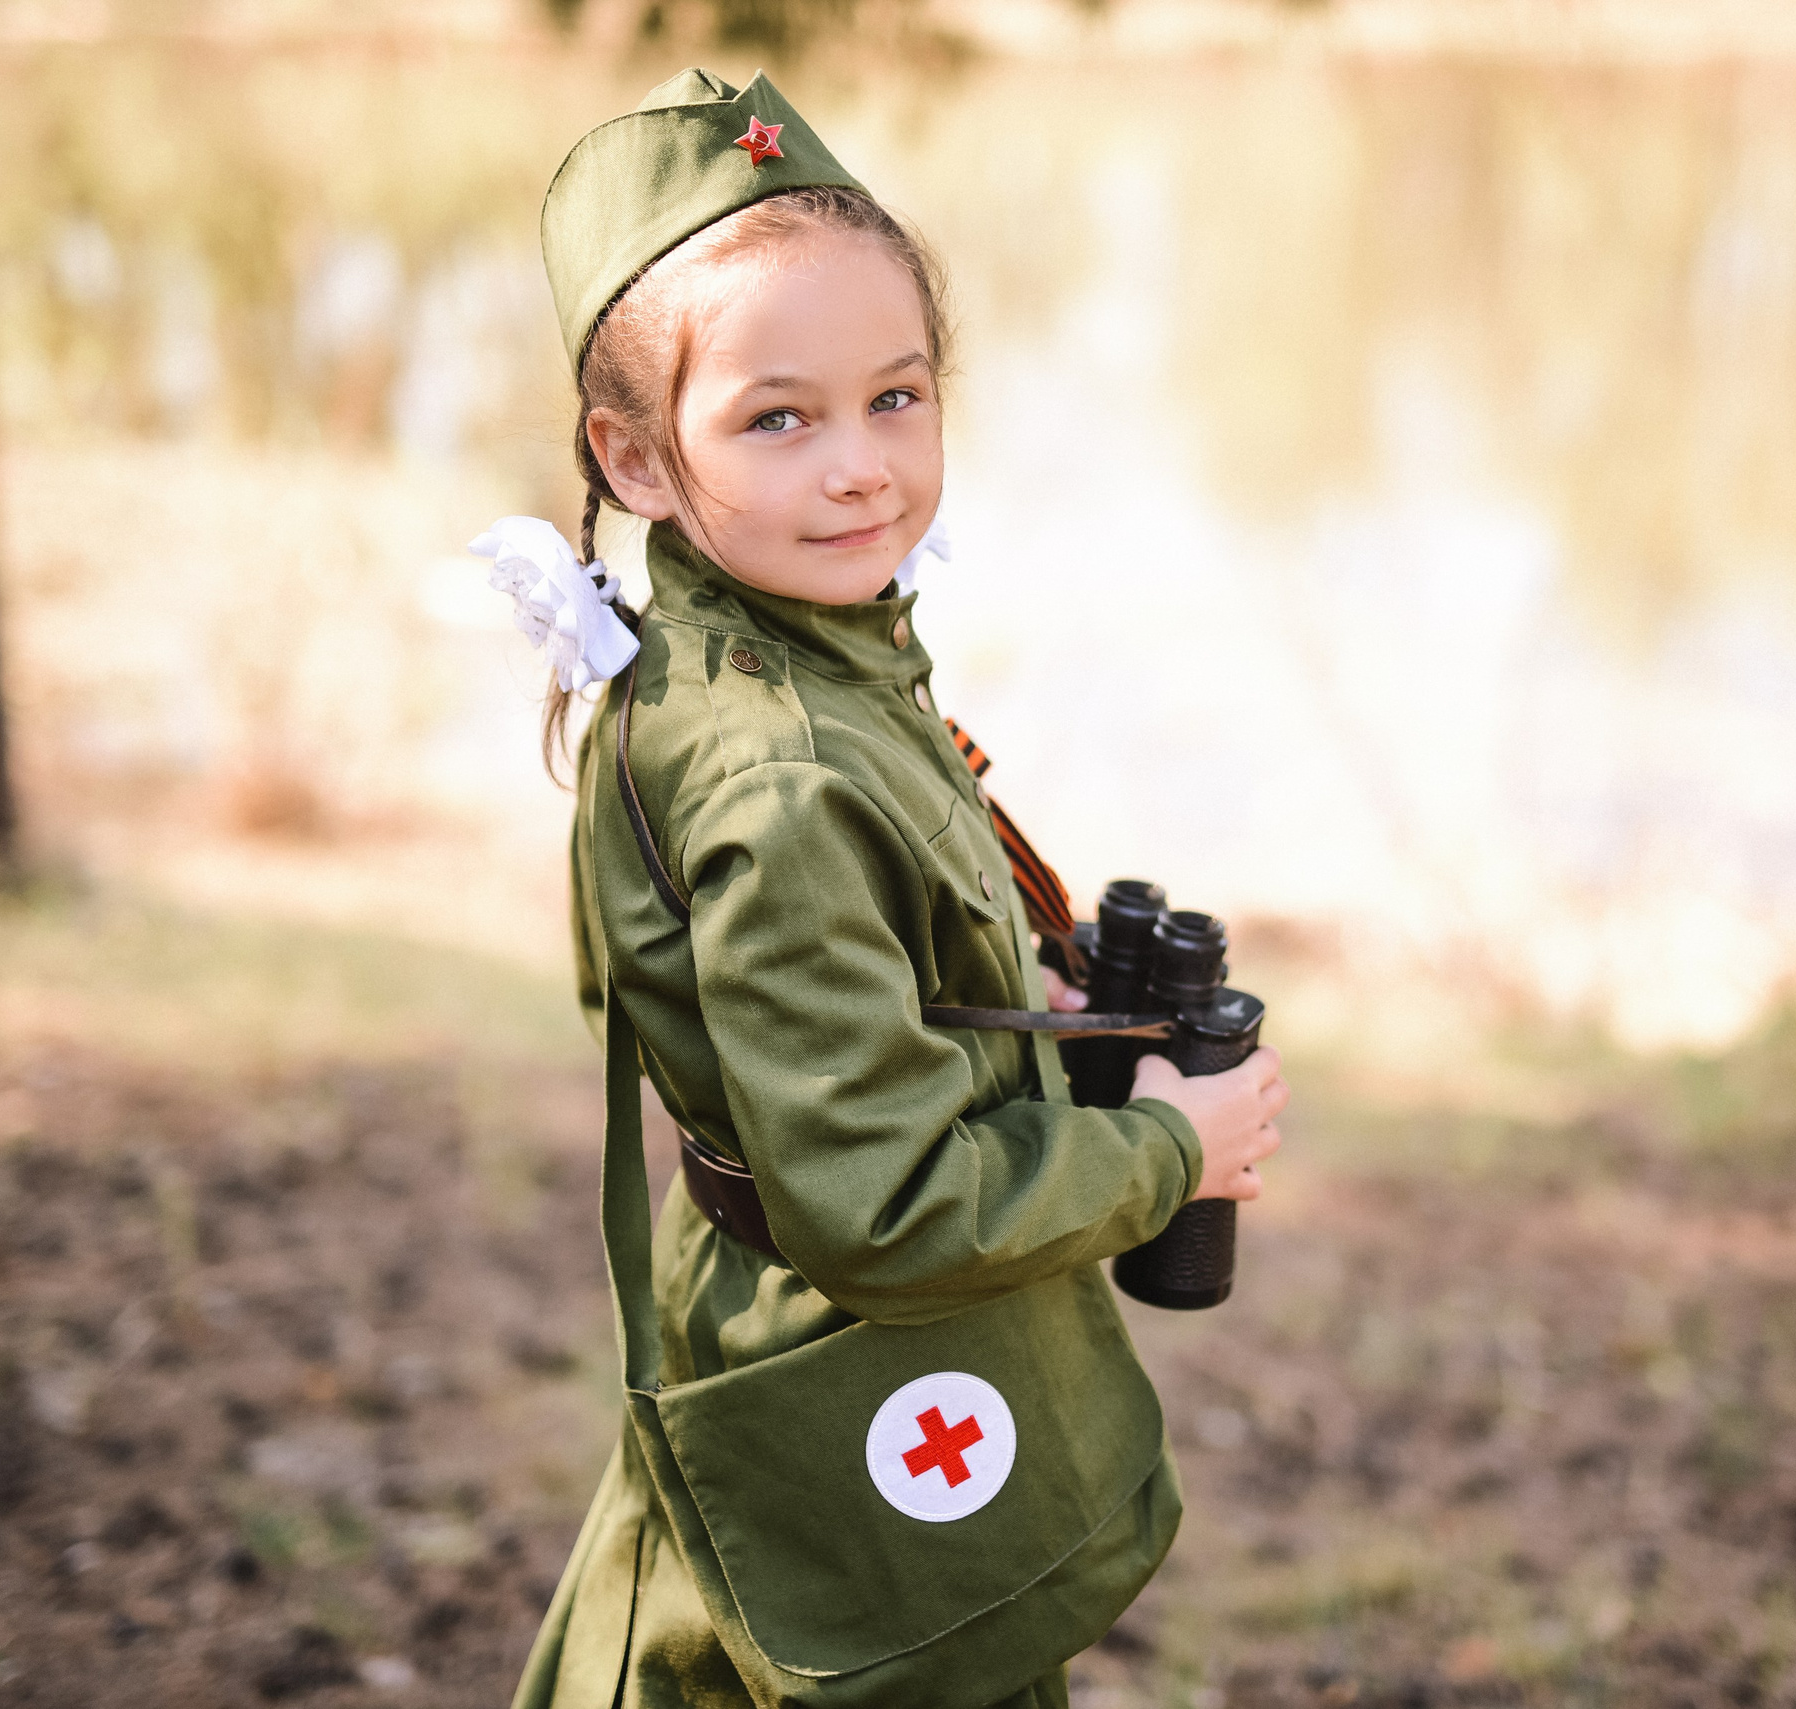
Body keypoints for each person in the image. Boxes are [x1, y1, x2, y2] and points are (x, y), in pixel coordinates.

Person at [474, 68, 1290, 1709]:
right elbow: (889, 1202)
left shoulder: (791, 649)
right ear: (633, 458)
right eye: (777, 417)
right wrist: (1164, 1148)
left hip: (815, 1323)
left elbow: (840, 1001)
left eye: (897, 398)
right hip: (841, 1353)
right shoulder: (773, 768)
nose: (861, 468)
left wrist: (1025, 1004)